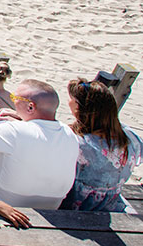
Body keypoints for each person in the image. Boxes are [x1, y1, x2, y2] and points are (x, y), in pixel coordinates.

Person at [0, 79, 79, 209]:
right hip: (50, 204)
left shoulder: (17, 130)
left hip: (0, 197)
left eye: (15, 98)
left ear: (30, 107)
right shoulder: (70, 133)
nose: (12, 101)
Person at [61, 79, 143, 212]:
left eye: (71, 99)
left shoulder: (79, 143)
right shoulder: (129, 137)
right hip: (110, 203)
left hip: (76, 206)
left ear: (78, 107)